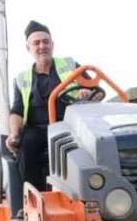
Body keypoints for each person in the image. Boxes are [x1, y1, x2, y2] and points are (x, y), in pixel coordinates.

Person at [6, 20, 89, 190]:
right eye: (36, 43)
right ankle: (37, 197)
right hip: (38, 130)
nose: (42, 46)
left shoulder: (71, 65)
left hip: (69, 125)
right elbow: (17, 110)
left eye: (45, 42)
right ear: (28, 48)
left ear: (52, 45)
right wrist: (14, 133)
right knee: (26, 144)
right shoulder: (22, 79)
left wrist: (87, 93)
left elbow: (96, 89)